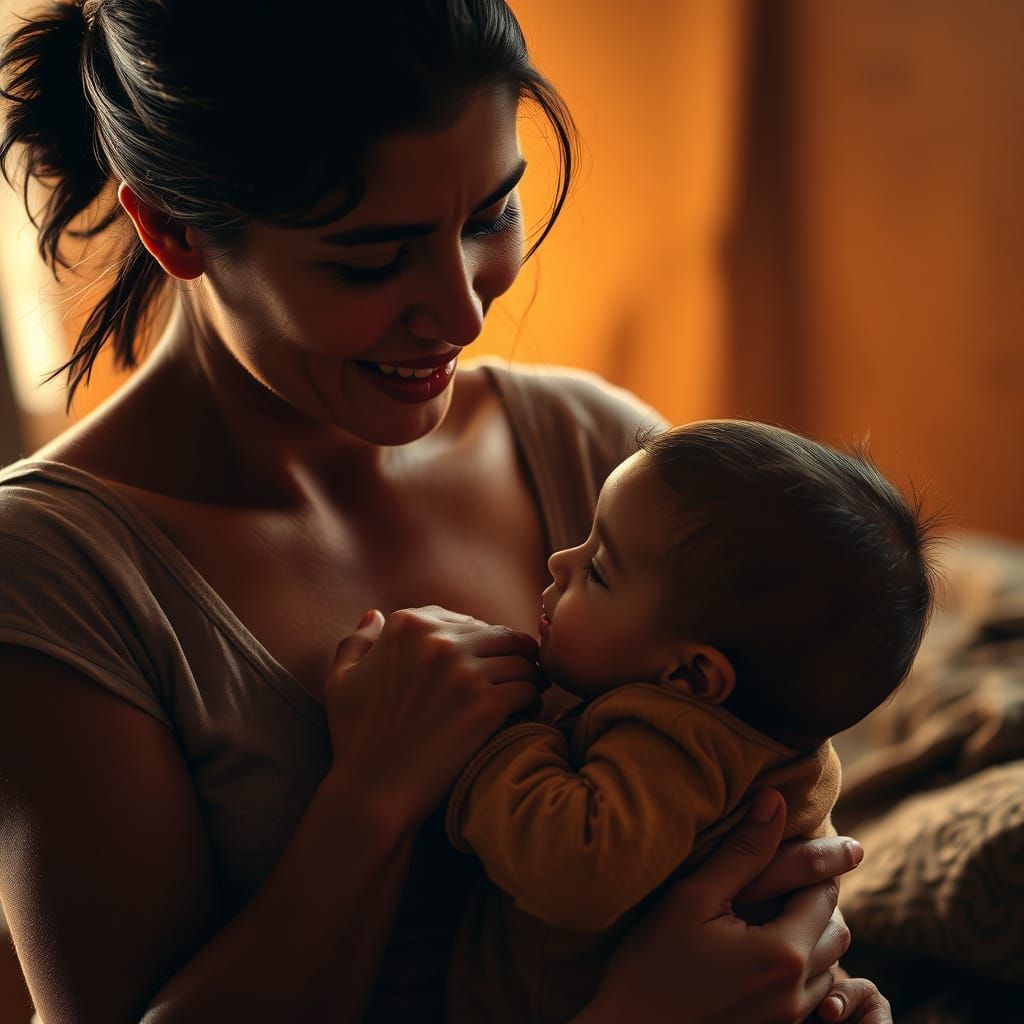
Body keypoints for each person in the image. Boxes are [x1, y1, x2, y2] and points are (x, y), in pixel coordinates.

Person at [0, 2, 891, 1022]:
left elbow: (767, 846)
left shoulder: (595, 448)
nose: (463, 311)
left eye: (488, 217)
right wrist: (374, 793)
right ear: (172, 228)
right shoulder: (55, 573)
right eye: (371, 258)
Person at [438, 420, 936, 1023]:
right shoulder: (786, 742)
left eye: (598, 569)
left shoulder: (675, 741)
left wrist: (494, 733)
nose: (559, 559)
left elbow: (579, 868)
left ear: (694, 679)